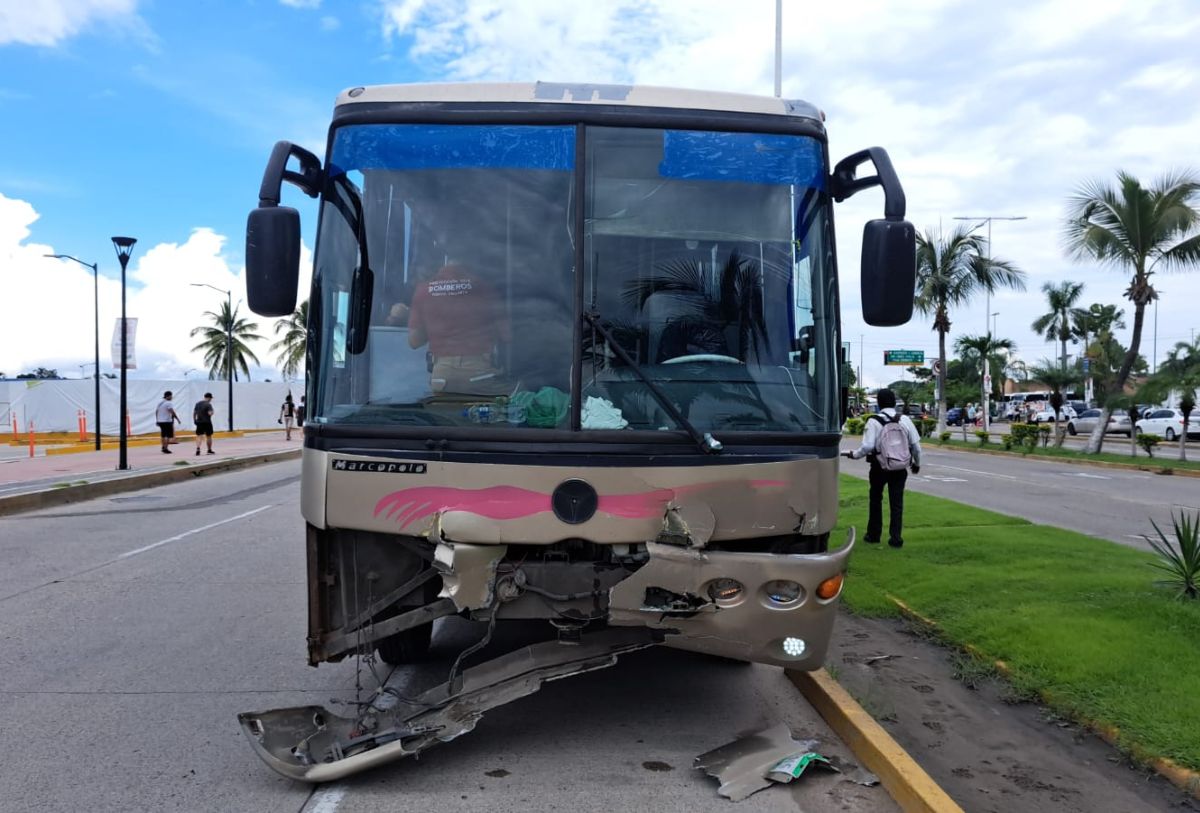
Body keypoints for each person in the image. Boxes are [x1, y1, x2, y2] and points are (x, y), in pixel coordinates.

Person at [407, 261, 511, 395]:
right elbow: (507, 335)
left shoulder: (423, 290)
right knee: (524, 398)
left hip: (441, 376)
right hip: (480, 373)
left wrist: (431, 320)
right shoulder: (485, 288)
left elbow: (414, 341)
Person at [842, 388, 922, 548]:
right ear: (894, 402)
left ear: (878, 403)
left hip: (879, 466)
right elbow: (916, 447)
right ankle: (895, 538)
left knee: (876, 499)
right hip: (900, 467)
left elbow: (868, 446)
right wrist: (916, 464)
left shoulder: (873, 421)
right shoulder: (904, 419)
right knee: (897, 502)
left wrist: (854, 455)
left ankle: (874, 534)